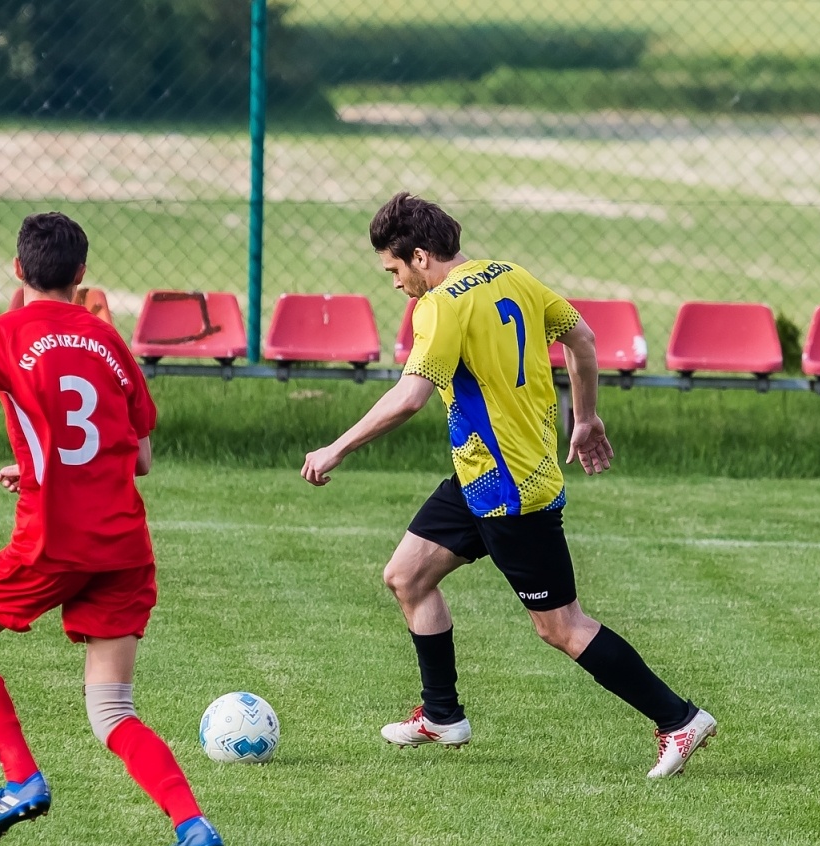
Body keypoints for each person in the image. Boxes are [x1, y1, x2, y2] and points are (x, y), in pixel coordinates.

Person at [301, 192, 716, 777]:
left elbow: (410, 397)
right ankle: (442, 715)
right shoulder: (511, 275)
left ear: (420, 257)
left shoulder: (439, 306)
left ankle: (678, 719)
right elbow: (583, 339)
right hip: (481, 473)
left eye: (394, 270)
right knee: (406, 576)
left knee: (561, 626)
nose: (394, 284)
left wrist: (336, 448)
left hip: (509, 489)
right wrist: (585, 417)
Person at [0, 211, 224, 846]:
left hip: (52, 542)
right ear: (82, 274)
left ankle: (20, 777)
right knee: (113, 711)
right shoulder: (109, 340)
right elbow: (139, 458)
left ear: (17, 270)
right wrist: (35, 463)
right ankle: (191, 825)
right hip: (123, 547)